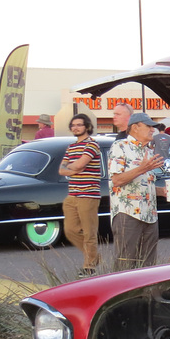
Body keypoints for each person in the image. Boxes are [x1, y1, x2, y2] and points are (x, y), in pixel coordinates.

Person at [108, 111, 166, 269]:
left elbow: (144, 184)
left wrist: (162, 191)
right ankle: (124, 294)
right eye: (148, 126)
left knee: (148, 265)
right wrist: (142, 168)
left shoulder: (148, 150)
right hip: (128, 214)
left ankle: (146, 294)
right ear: (135, 127)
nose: (152, 130)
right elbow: (116, 180)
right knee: (125, 264)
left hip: (150, 215)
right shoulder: (120, 146)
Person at [58, 114, 102, 276]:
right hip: (72, 194)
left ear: (87, 127)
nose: (75, 127)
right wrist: (74, 168)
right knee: (70, 230)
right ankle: (94, 256)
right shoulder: (71, 147)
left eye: (79, 125)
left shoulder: (91, 145)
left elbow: (80, 164)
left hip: (88, 193)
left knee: (89, 231)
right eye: (73, 125)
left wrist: (73, 167)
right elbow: (62, 170)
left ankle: (89, 266)